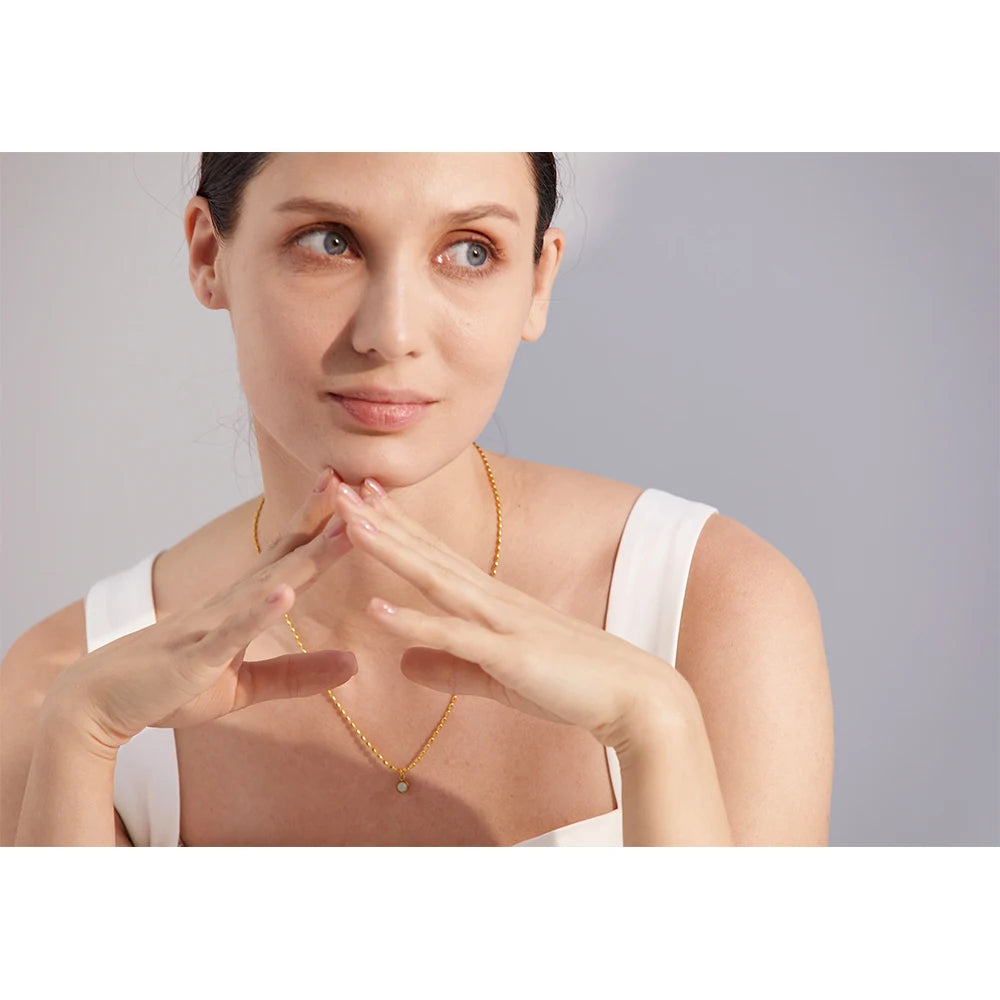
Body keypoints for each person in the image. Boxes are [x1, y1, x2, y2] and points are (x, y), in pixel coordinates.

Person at [1, 153, 834, 847]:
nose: (392, 332)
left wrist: (658, 727)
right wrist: (79, 737)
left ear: (538, 281)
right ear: (207, 254)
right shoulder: (64, 687)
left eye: (470, 250)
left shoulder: (717, 609)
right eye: (329, 242)